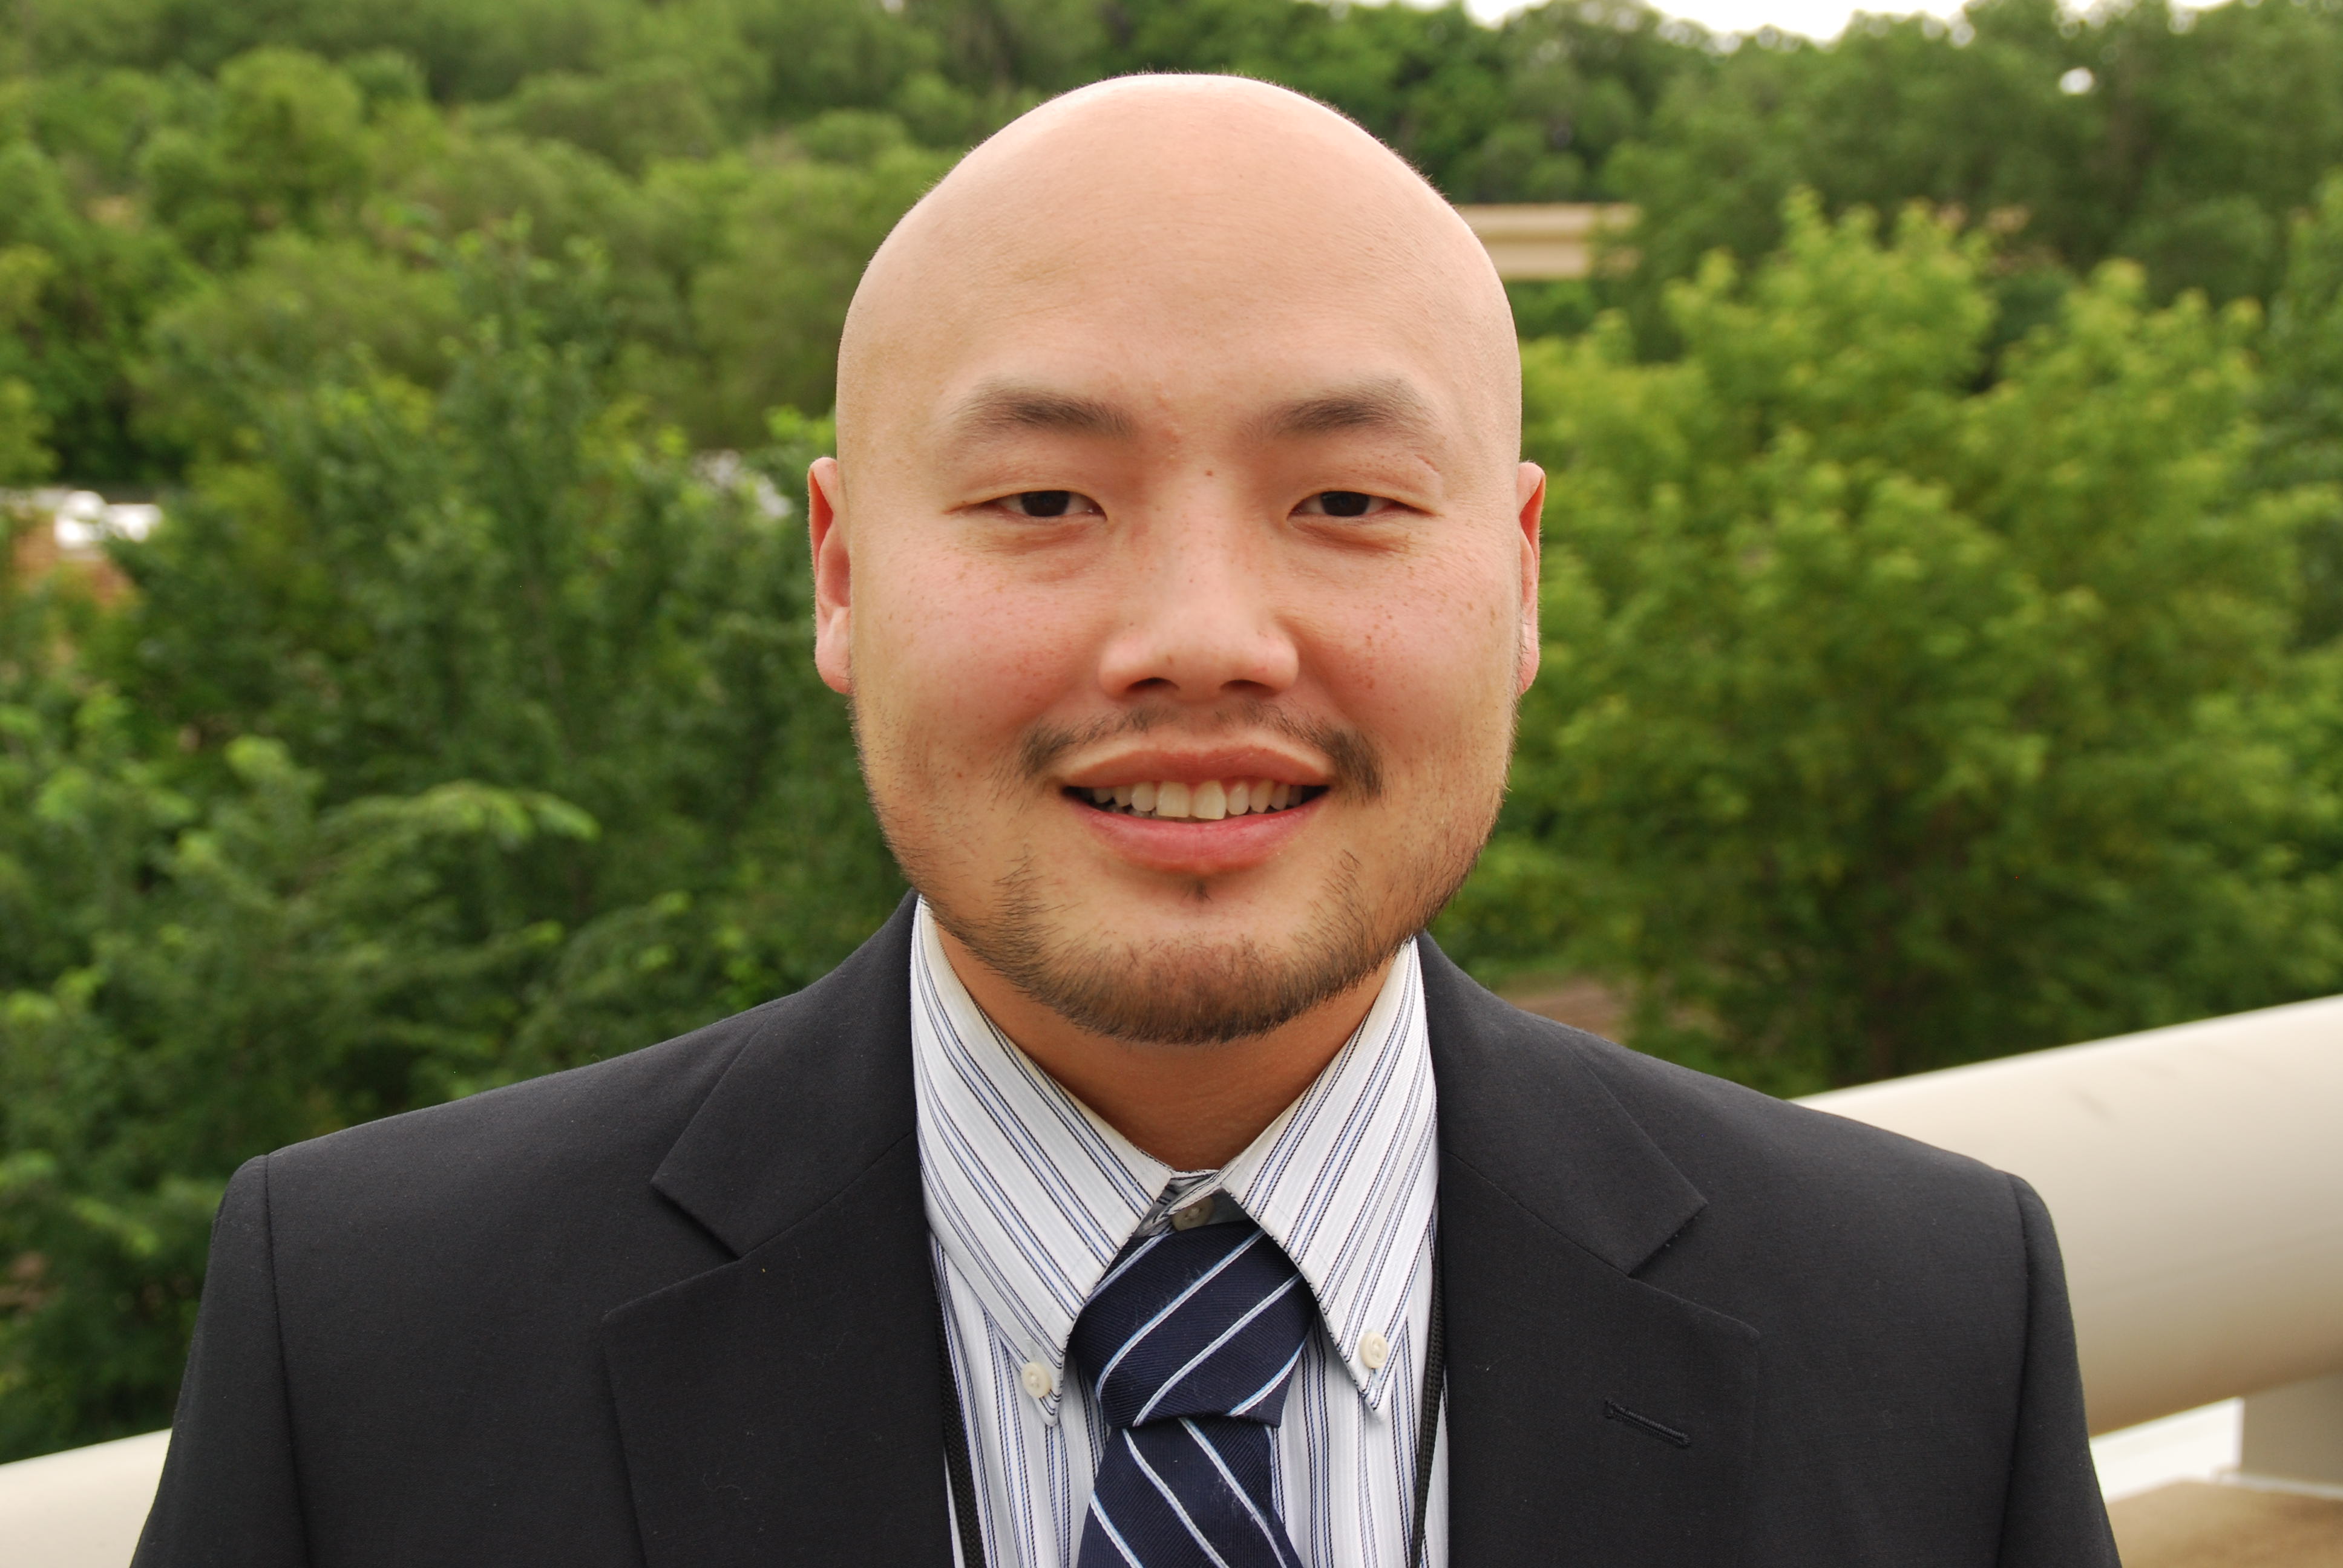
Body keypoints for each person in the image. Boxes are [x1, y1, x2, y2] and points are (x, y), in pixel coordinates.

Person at [134, 76, 2119, 1568]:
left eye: (1345, 501)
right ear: (838, 572)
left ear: (1517, 581)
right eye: (1040, 502)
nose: (1198, 641)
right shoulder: (376, 1338)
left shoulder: (1932, 1334)